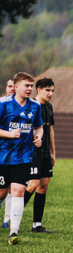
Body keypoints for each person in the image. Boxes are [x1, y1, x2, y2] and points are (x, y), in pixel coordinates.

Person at [0, 72, 43, 245]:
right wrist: (10, 134)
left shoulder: (35, 106)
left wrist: (38, 136)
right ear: (16, 87)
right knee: (2, 193)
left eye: (31, 86)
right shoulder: (3, 104)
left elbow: (39, 127)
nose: (30, 89)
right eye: (27, 85)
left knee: (18, 191)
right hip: (2, 156)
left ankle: (14, 233)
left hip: (23, 157)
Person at [23, 78, 56, 233]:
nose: (50, 94)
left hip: (45, 153)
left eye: (52, 91)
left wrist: (53, 152)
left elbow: (50, 130)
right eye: (47, 90)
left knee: (43, 186)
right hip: (33, 152)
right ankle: (12, 216)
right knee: (32, 185)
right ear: (39, 90)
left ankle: (37, 225)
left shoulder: (49, 107)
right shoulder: (31, 106)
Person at [2, 78, 14, 229]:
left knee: (12, 187)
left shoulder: (22, 106)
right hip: (2, 151)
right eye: (9, 86)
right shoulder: (2, 104)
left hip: (14, 153)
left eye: (14, 86)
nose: (12, 88)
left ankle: (7, 220)